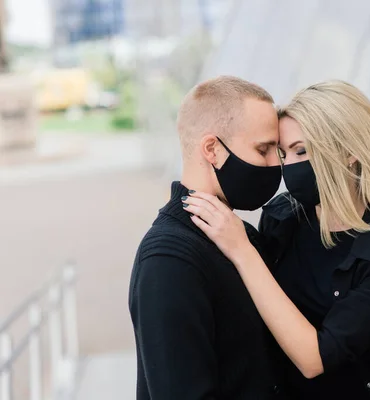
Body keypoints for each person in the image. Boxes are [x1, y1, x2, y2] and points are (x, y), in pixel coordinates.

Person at [183, 80, 370, 400]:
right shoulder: (280, 217)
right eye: (283, 154)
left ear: (349, 151)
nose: (289, 166)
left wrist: (242, 250)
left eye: (302, 150)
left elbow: (315, 359)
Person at [128, 76, 286, 399]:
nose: (275, 165)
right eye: (264, 149)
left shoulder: (243, 239)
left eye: (278, 151)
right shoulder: (168, 259)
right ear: (212, 149)